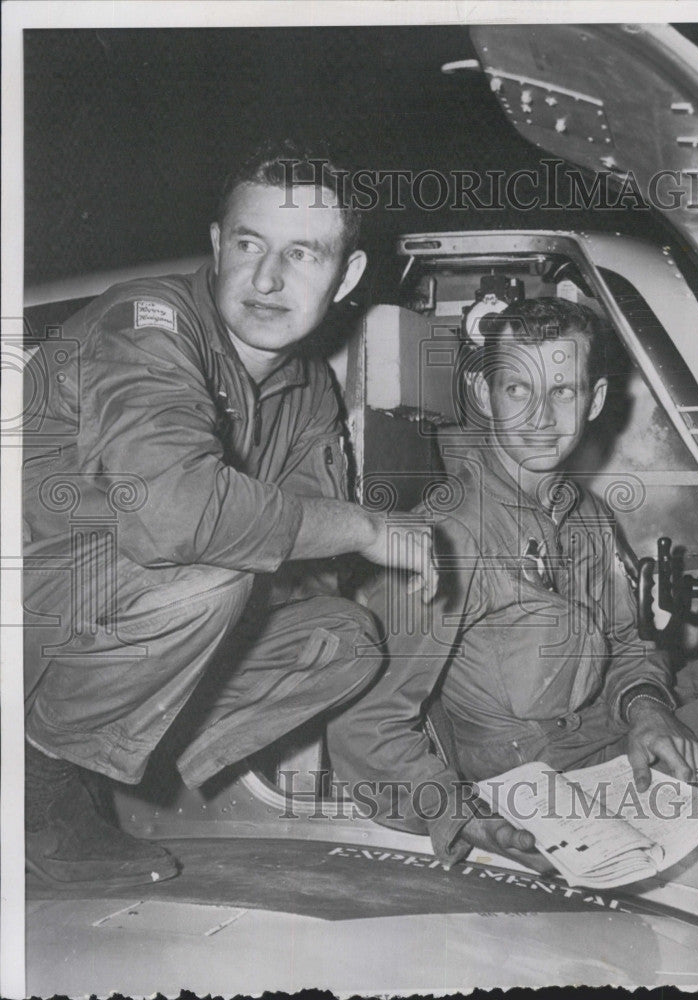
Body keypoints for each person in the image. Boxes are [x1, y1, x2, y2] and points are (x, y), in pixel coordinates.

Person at [22, 139, 435, 887]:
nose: (268, 278)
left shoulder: (305, 387)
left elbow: (311, 574)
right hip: (27, 619)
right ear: (216, 247)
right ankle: (32, 790)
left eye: (304, 255)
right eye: (249, 243)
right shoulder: (146, 326)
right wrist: (368, 528)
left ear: (347, 276)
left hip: (101, 635)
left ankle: (99, 776)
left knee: (340, 641)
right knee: (207, 575)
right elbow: (179, 516)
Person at [326, 297, 698, 869]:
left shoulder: (588, 517)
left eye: (563, 392)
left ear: (594, 400)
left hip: (609, 734)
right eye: (518, 390)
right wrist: (462, 814)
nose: (540, 419)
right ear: (484, 396)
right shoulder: (447, 537)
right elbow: (363, 723)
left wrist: (648, 707)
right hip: (541, 789)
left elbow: (629, 643)